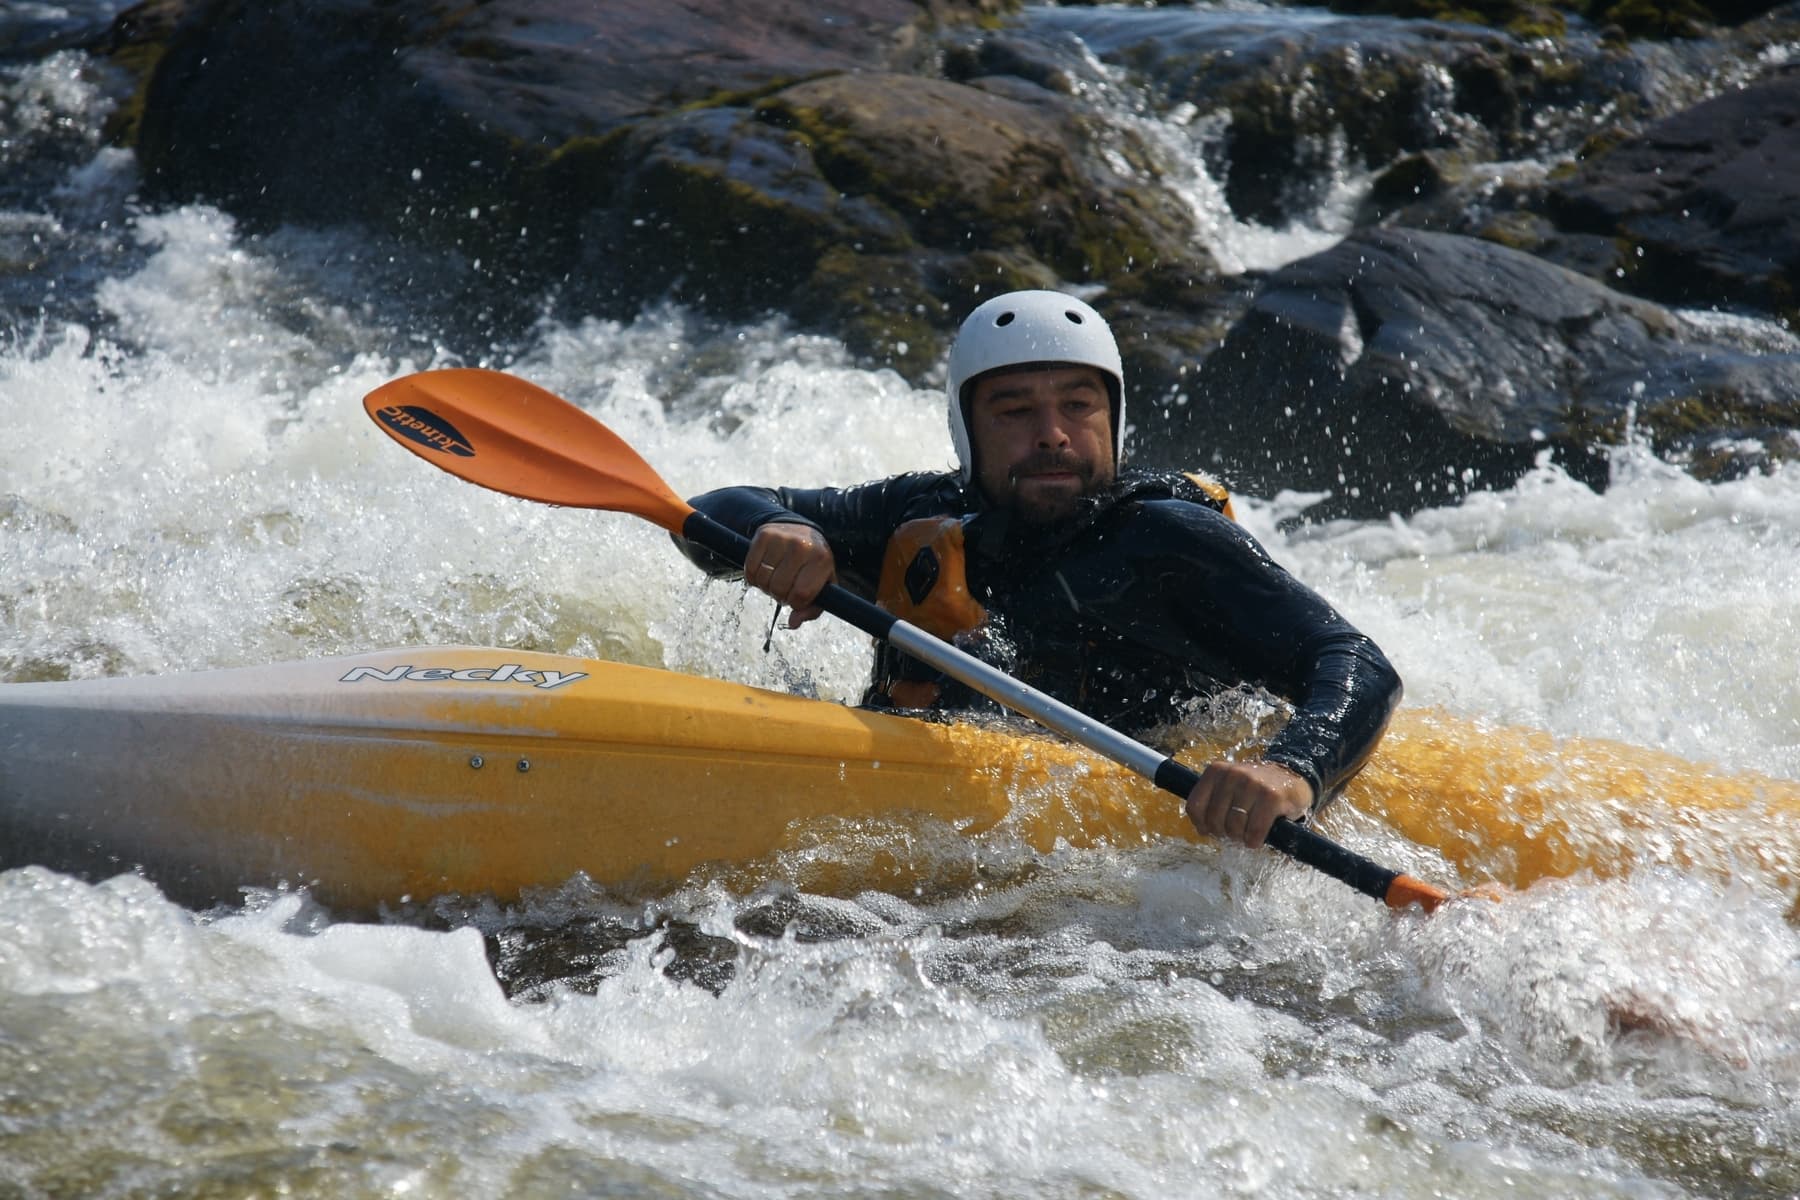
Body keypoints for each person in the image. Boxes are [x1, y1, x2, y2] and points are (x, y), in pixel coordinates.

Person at [676, 290, 1402, 851]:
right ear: (968, 431)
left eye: (1077, 406)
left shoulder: (1169, 538)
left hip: (1128, 832)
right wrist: (781, 531)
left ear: (1110, 419)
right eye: (1014, 411)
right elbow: (709, 513)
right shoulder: (923, 511)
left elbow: (1357, 662)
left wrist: (1292, 769)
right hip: (915, 815)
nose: (1052, 434)